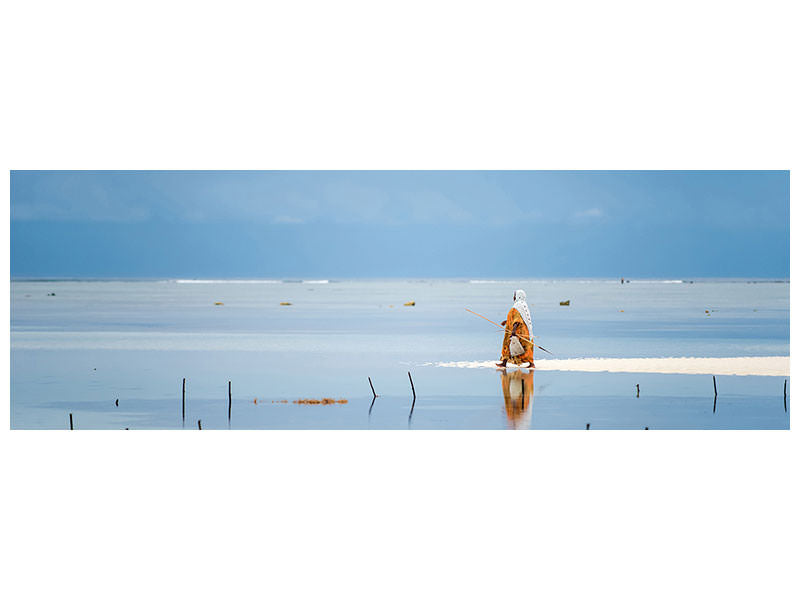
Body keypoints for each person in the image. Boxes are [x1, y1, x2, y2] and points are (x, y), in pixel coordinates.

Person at [496, 289, 534, 368]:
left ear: (518, 296)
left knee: (508, 345)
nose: (513, 297)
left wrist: (513, 331)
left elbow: (517, 320)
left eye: (514, 295)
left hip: (516, 331)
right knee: (525, 347)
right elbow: (518, 318)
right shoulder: (523, 306)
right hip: (524, 331)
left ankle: (504, 362)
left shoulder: (517, 306)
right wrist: (506, 321)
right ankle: (530, 363)